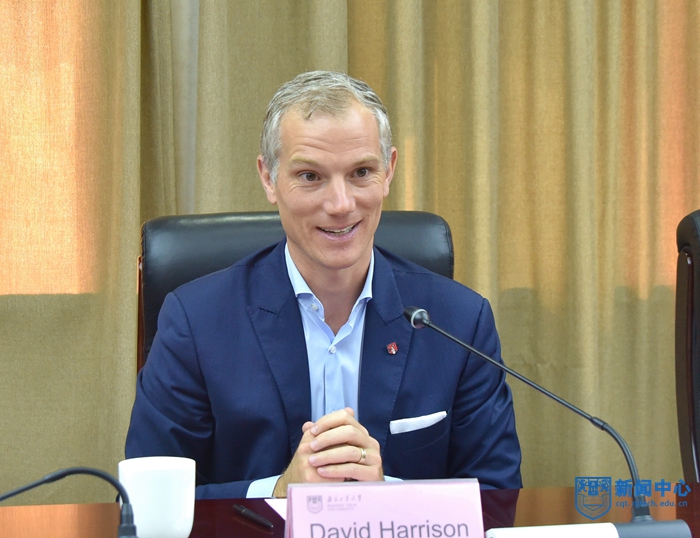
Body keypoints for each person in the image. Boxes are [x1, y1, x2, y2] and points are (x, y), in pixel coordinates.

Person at [125, 71, 522, 499]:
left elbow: (498, 499)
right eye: (311, 176)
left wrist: (387, 497)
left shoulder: (459, 322)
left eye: (361, 172)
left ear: (389, 171)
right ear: (268, 178)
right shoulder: (196, 322)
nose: (340, 204)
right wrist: (278, 493)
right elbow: (145, 506)